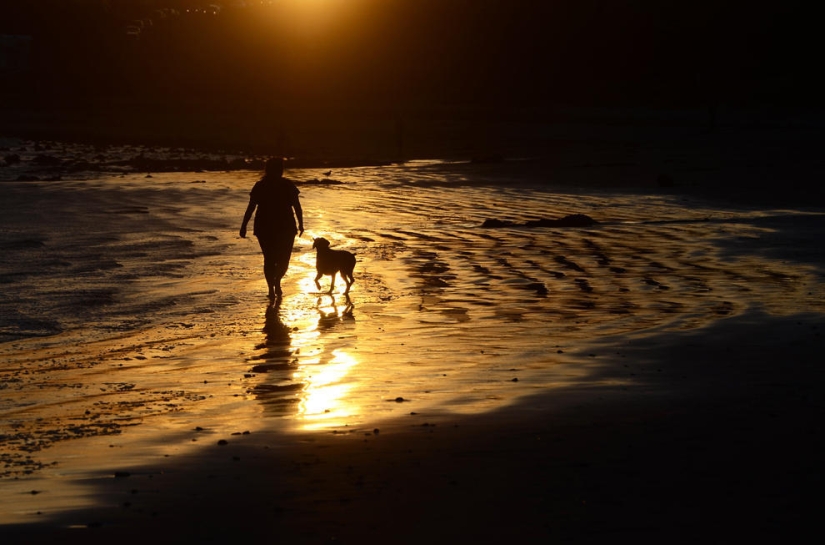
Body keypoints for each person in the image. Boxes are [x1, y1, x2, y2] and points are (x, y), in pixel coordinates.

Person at [240, 157, 304, 301]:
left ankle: (276, 283)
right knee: (273, 259)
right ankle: (271, 288)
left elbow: (297, 206)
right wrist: (243, 225)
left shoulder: (286, 185)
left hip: (279, 227)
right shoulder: (262, 186)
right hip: (271, 227)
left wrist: (301, 224)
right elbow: (251, 207)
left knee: (279, 260)